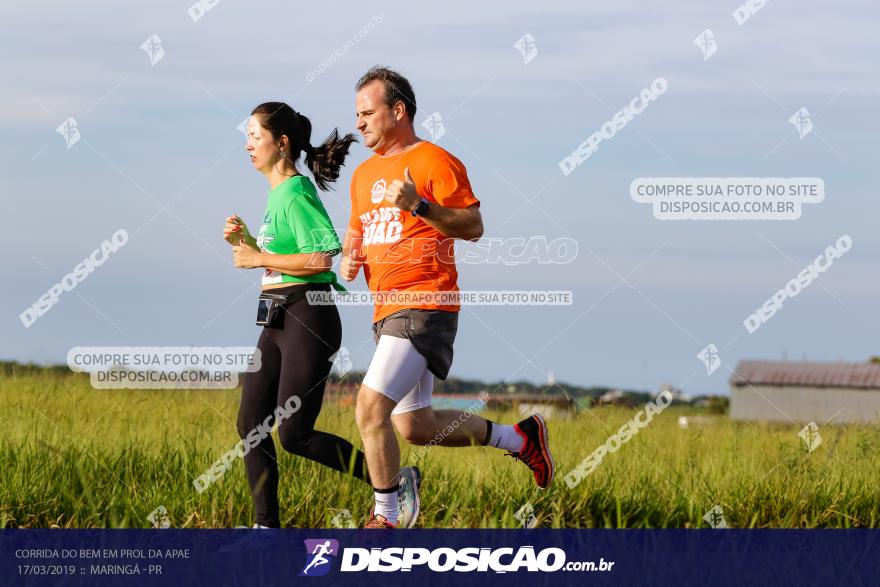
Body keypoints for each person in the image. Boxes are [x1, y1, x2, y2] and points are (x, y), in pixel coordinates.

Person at [341, 67, 555, 529]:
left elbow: (473, 226)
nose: (359, 123)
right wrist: (349, 258)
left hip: (425, 304)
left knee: (369, 408)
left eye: (367, 112)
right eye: (355, 114)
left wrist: (419, 205)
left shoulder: (435, 161)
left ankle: (388, 514)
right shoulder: (362, 175)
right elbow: (356, 234)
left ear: (397, 111)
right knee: (412, 426)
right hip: (386, 310)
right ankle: (521, 439)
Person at [224, 101, 420, 528]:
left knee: (295, 434)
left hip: (306, 319)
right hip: (276, 317)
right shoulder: (278, 193)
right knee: (250, 423)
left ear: (282, 143)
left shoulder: (296, 191)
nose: (248, 145)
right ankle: (265, 529)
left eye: (255, 136)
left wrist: (257, 257)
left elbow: (321, 257)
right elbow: (283, 256)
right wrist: (250, 243)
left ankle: (392, 482)